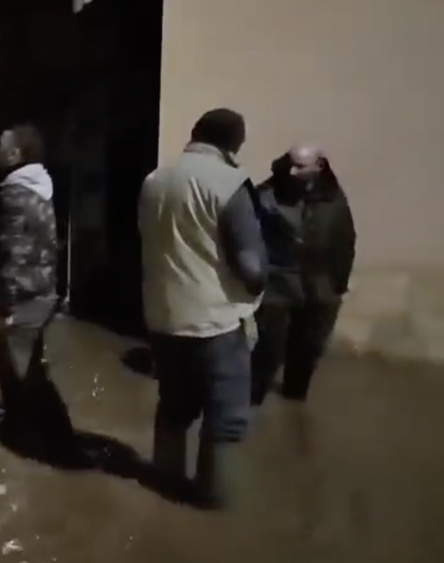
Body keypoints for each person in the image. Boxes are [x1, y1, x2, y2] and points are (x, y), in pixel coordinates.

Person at [137, 108, 268, 509]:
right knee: (225, 420)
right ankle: (212, 504)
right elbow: (252, 268)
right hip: (216, 322)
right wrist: (262, 284)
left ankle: (165, 487)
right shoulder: (228, 183)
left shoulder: (154, 180)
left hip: (162, 317)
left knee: (174, 409)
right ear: (234, 144)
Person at [250, 146, 356, 405]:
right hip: (277, 281)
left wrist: (339, 281)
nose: (294, 171)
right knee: (269, 346)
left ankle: (295, 394)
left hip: (320, 284)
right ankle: (253, 396)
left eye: (301, 166)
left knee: (309, 346)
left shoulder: (333, 197)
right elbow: (249, 236)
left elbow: (344, 239)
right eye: (292, 164)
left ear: (319, 166)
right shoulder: (267, 194)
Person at [0, 124, 71, 437]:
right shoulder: (37, 187)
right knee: (23, 367)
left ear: (14, 153)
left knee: (16, 371)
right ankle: (29, 429)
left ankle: (54, 438)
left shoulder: (16, 195)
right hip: (41, 290)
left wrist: (8, 305)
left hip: (24, 296)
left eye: (2, 145)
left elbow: (15, 253)